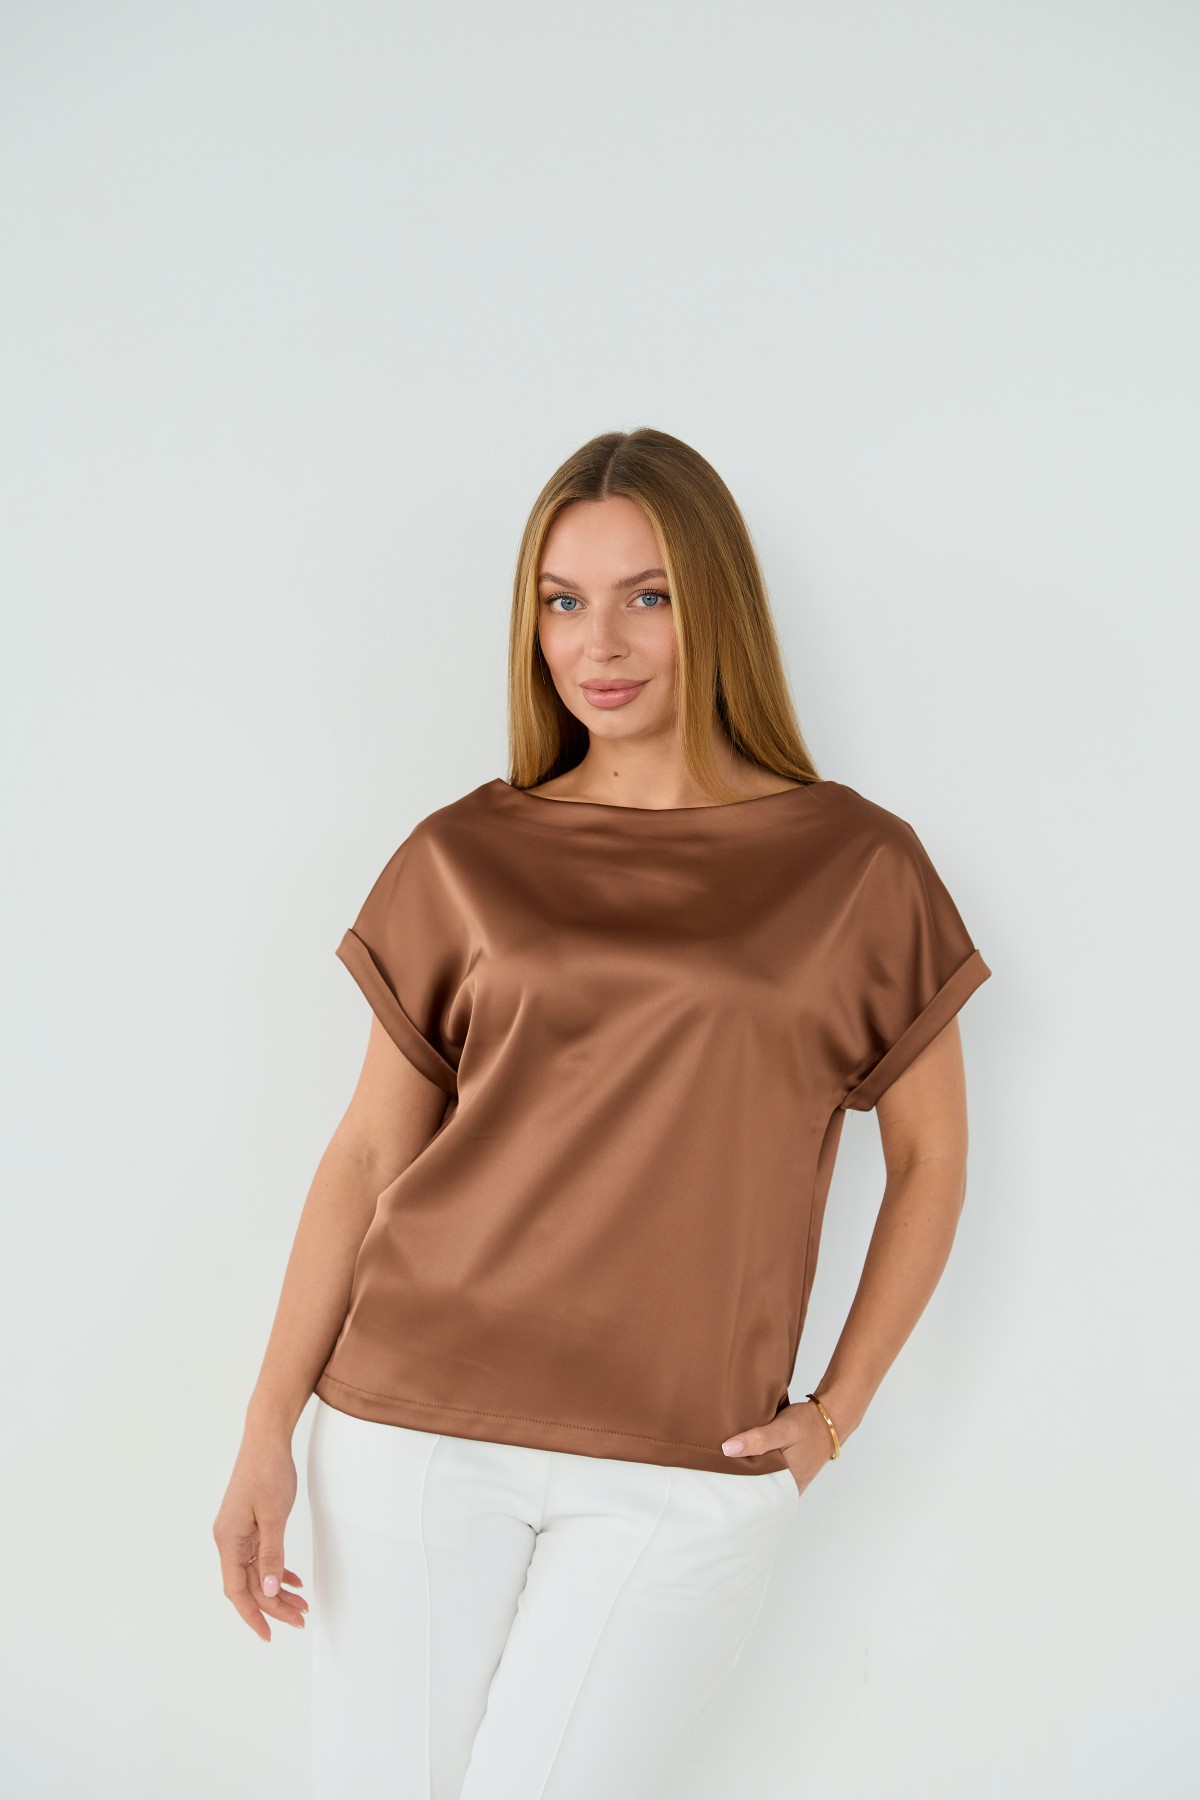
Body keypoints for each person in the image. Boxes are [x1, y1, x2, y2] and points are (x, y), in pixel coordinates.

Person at [212, 426, 992, 1800]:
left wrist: (837, 1412)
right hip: (414, 1429)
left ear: (718, 607)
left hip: (687, 1461)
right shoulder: (467, 852)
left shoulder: (857, 865)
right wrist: (266, 1428)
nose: (600, 643)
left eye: (648, 596)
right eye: (563, 600)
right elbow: (369, 1152)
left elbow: (929, 1158)